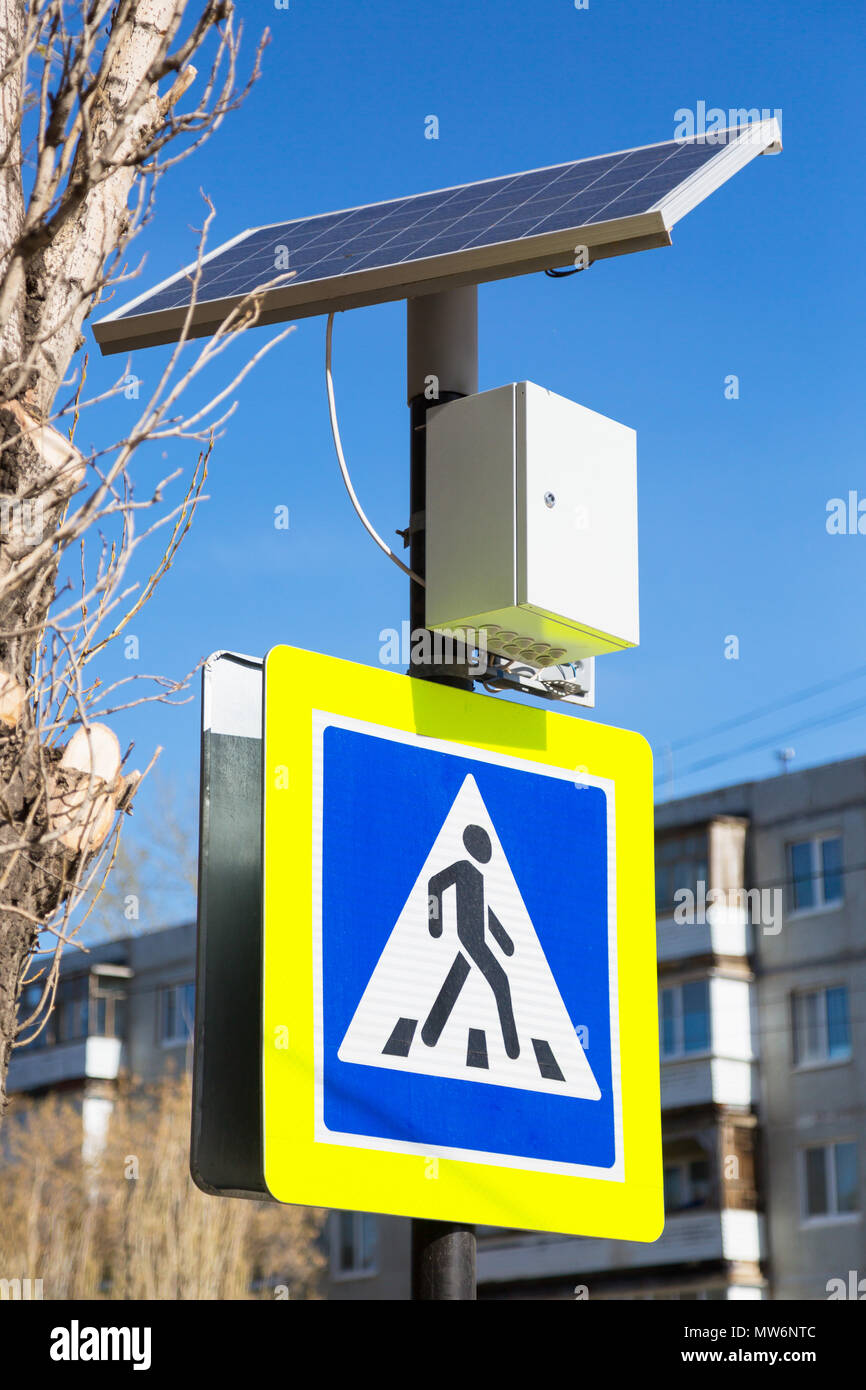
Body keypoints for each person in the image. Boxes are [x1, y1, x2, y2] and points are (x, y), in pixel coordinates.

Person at [422, 823, 519, 1059]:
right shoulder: (463, 867)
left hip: (474, 938)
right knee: (501, 982)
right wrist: (435, 923)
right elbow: (434, 883)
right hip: (468, 938)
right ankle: (512, 1048)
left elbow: (484, 912)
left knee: (454, 983)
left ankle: (430, 1033)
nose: (488, 851)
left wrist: (505, 941)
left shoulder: (477, 875)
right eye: (484, 845)